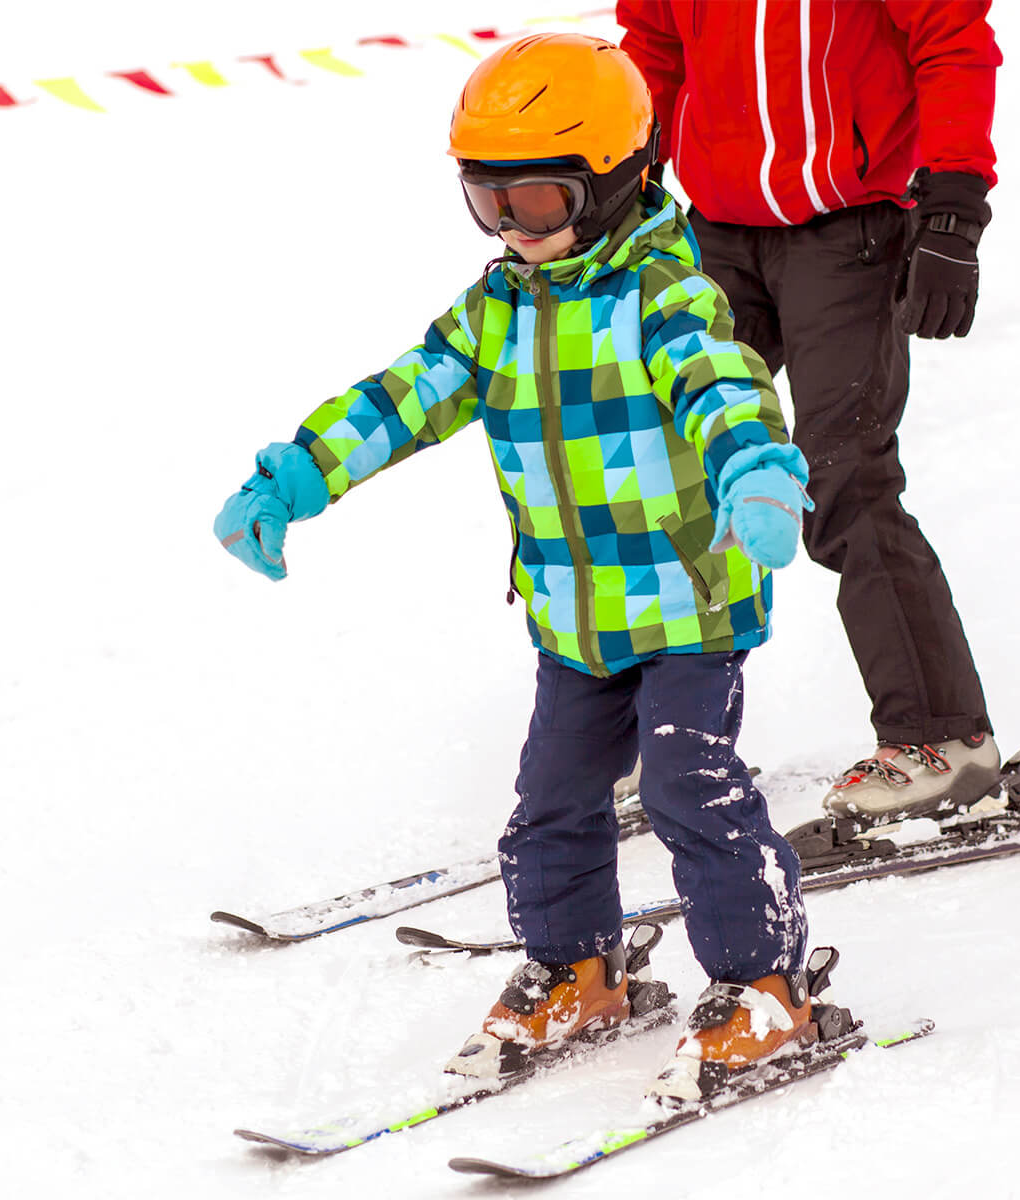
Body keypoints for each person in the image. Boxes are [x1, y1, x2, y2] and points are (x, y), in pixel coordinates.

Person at [214, 33, 818, 1098]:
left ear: (619, 182)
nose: (509, 230)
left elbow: (725, 389)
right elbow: (402, 397)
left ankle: (764, 985)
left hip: (688, 608)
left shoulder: (667, 297)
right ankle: (577, 968)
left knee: (690, 788)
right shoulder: (496, 312)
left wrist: (758, 478)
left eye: (533, 203)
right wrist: (296, 477)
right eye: (486, 204)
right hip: (572, 620)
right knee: (550, 799)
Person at [617, 1, 1005, 824]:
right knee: (671, 467)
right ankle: (676, 732)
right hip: (716, 234)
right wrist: (628, 183)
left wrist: (953, 210)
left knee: (844, 481)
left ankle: (944, 738)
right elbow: (653, 46)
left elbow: (951, 40)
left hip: (849, 232)